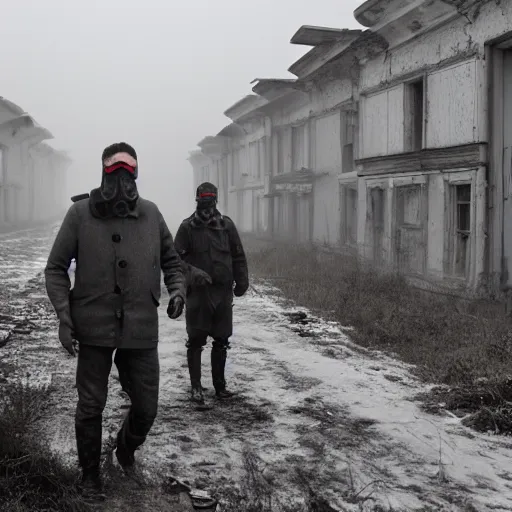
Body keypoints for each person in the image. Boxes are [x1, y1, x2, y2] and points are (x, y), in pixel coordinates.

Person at [44, 142, 186, 503]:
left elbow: (172, 260)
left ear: (136, 174)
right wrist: (64, 314)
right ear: (103, 173)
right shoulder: (79, 215)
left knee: (146, 407)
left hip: (140, 326)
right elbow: (56, 269)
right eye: (114, 172)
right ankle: (90, 475)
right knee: (91, 405)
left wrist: (178, 291)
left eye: (128, 173)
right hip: (91, 326)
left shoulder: (152, 214)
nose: (122, 181)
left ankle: (124, 451)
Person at [174, 182, 249, 405]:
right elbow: (174, 260)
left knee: (222, 339)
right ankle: (196, 387)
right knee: (196, 340)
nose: (206, 207)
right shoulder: (187, 228)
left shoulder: (226, 226)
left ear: (216, 201)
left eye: (210, 201)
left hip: (223, 292)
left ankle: (220, 387)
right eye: (203, 202)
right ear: (197, 202)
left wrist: (242, 280)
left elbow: (238, 255)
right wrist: (193, 273)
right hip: (198, 294)